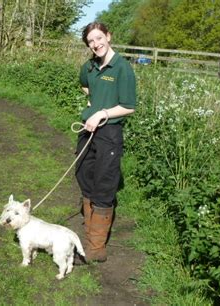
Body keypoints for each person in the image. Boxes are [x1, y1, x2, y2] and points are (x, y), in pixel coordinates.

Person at [75, 22, 136, 264]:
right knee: (83, 174)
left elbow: (128, 107)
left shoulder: (122, 68)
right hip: (87, 130)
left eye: (99, 38)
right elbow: (83, 84)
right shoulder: (89, 66)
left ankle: (96, 248)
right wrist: (92, 103)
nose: (96, 44)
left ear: (109, 36)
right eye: (91, 41)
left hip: (109, 133)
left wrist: (102, 113)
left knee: (103, 184)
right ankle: (90, 232)